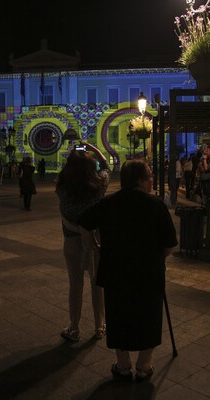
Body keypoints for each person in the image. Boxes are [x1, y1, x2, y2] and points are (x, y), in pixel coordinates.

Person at [78, 159, 177, 382]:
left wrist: (96, 247)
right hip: (148, 273)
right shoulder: (156, 205)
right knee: (149, 315)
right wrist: (154, 258)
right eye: (150, 176)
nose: (152, 179)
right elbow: (170, 244)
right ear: (141, 181)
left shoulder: (109, 203)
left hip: (115, 270)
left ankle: (123, 364)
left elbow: (84, 224)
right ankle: (144, 365)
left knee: (118, 314)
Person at [56, 141, 110, 343]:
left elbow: (65, 172)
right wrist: (90, 147)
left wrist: (74, 155)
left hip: (71, 241)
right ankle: (100, 326)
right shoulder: (99, 186)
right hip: (94, 240)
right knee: (97, 284)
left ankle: (74, 328)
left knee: (75, 284)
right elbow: (106, 165)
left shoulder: (63, 187)